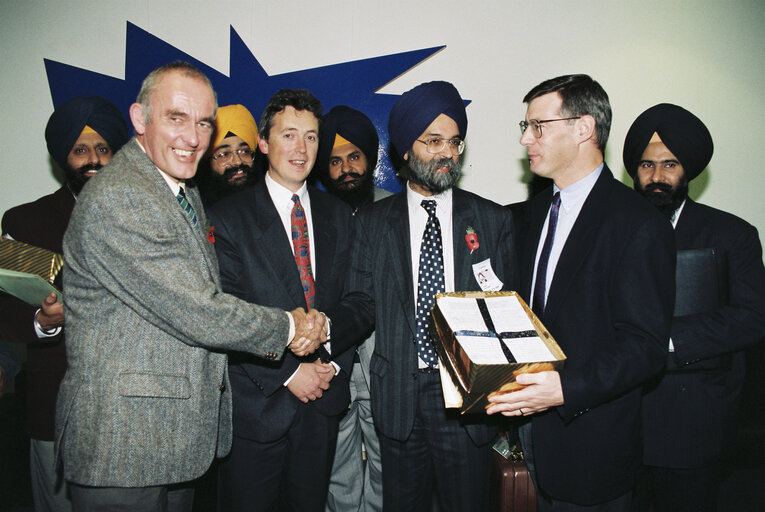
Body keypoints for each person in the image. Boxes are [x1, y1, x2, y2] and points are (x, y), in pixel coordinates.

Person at [55, 62, 326, 512]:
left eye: (203, 123)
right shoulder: (122, 196)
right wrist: (287, 327)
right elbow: (197, 308)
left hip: (172, 440)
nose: (194, 137)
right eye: (176, 118)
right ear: (141, 120)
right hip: (125, 445)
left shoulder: (180, 188)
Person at [486, 74, 675, 511]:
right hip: (530, 434)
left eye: (537, 126)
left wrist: (564, 389)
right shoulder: (530, 216)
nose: (524, 139)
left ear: (583, 128)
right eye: (525, 126)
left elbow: (645, 348)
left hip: (593, 445)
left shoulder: (638, 224)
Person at [330, 81, 516, 512]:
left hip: (468, 400)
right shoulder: (373, 223)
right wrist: (322, 335)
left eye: (454, 141)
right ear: (405, 150)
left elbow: (508, 312)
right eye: (432, 141)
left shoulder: (492, 219)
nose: (446, 152)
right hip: (399, 401)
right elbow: (360, 304)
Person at [210, 89, 355, 512]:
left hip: (323, 400)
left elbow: (361, 300)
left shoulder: (340, 216)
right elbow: (224, 311)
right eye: (289, 134)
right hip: (259, 404)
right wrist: (291, 372)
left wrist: (328, 354)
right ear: (264, 143)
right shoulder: (227, 217)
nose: (301, 148)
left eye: (311, 137)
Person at [622, 103, 765, 512]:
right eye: (646, 165)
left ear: (690, 170)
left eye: (670, 165)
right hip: (621, 422)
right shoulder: (615, 228)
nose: (656, 178)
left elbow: (753, 317)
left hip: (692, 425)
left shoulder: (732, 234)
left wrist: (663, 340)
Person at [0, 95, 128, 512]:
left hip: (133, 413)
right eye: (80, 149)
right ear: (63, 158)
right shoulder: (24, 222)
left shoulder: (143, 218)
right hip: (56, 408)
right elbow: (10, 312)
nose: (93, 159)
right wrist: (44, 320)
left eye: (103, 148)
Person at [316, 105, 389, 512]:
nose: (346, 169)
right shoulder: (313, 217)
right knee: (336, 472)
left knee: (386, 471)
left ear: (371, 159)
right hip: (332, 369)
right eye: (335, 160)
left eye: (354, 157)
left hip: (385, 368)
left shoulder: (398, 212)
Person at [196, 103, 261, 207]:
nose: (238, 161)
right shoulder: (197, 210)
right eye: (224, 154)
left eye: (244, 151)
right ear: (207, 161)